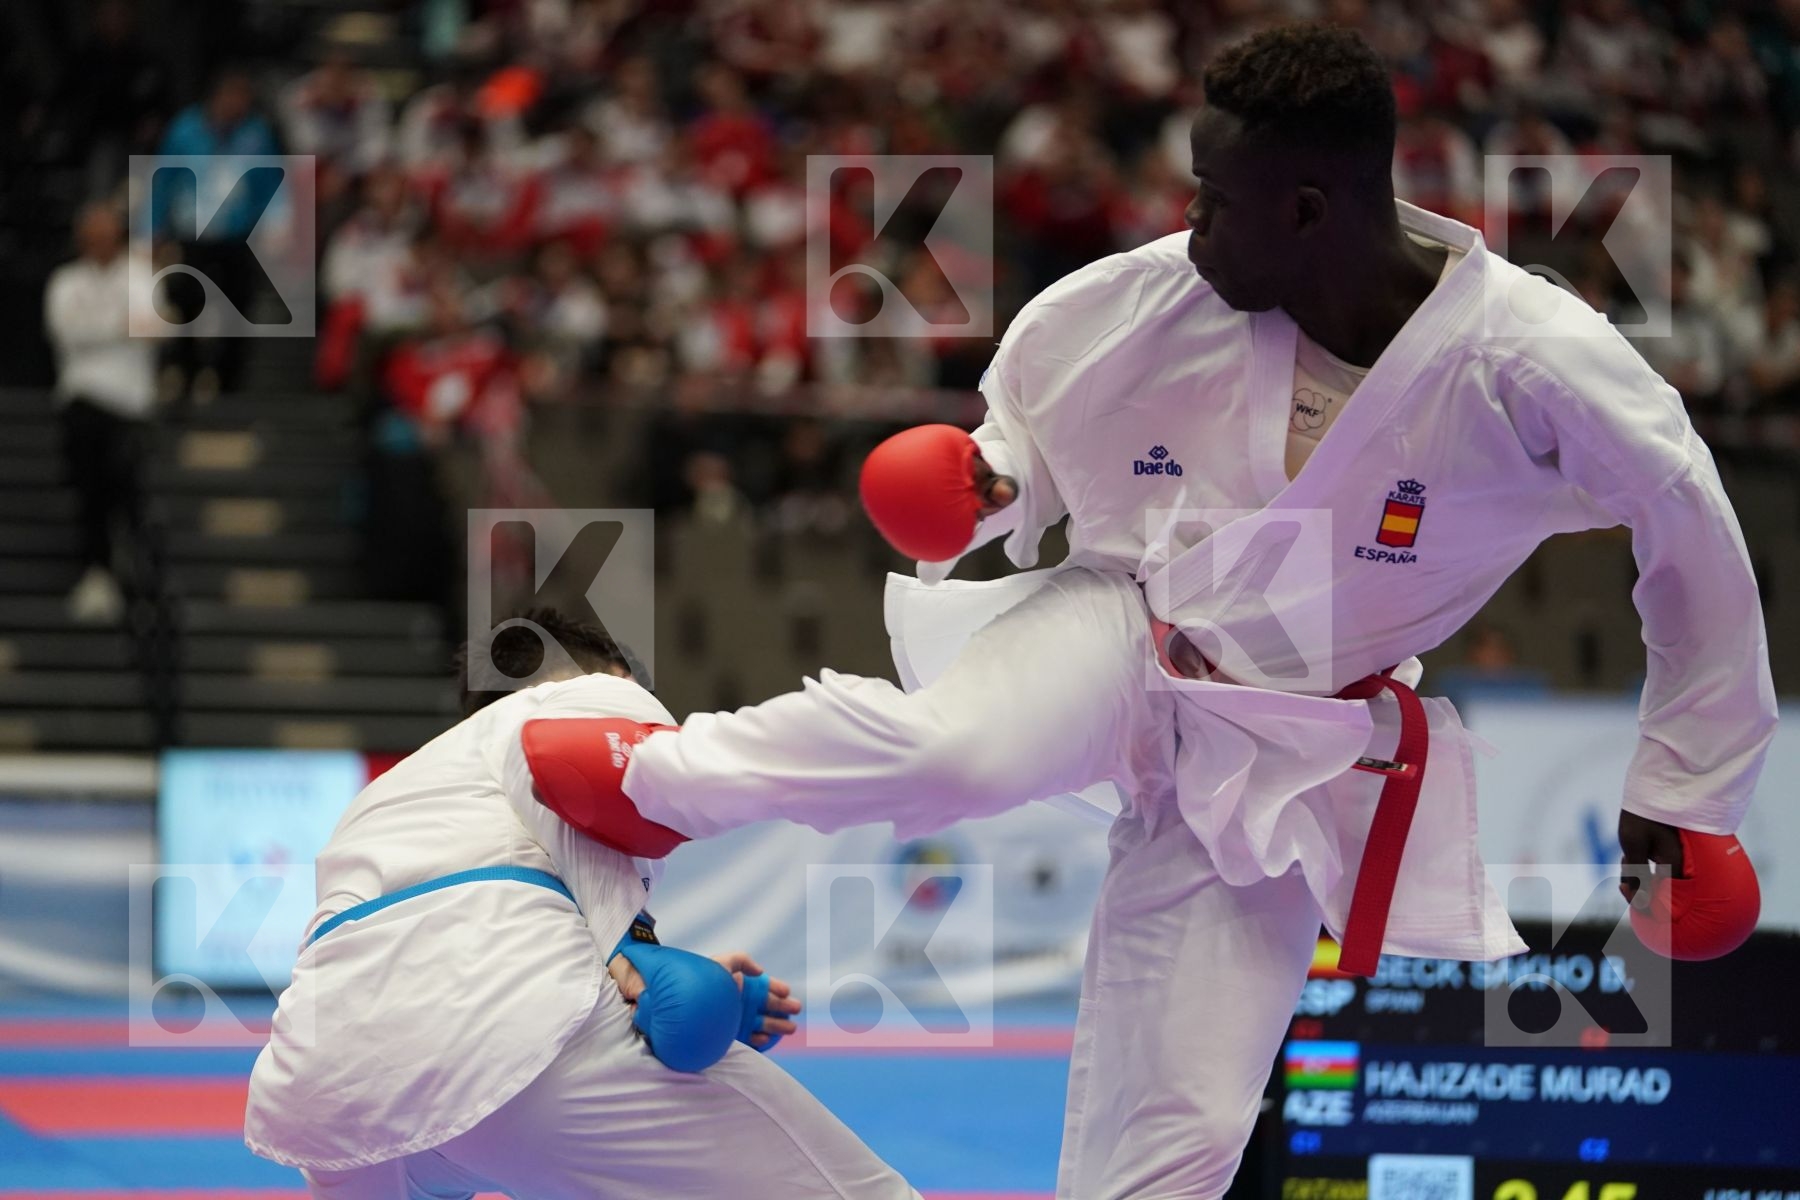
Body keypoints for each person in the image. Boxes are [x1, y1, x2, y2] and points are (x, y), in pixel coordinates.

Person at [518, 25, 1778, 1200]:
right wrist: (991, 479)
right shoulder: (1156, 293)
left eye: (1216, 199)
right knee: (959, 749)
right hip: (1123, 627)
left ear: (1308, 209)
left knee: (1178, 1142)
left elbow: (1690, 532)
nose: (1189, 220)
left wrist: (1687, 794)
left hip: (1290, 745)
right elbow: (1031, 420)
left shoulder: (1529, 361)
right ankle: (658, 777)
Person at [244, 609, 919, 1200]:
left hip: (329, 1091)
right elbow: (578, 771)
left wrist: (639, 962)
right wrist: (642, 956)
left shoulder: (393, 792)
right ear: (617, 673)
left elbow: (444, 929)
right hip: (504, 1043)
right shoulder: (592, 696)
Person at [43, 201, 159, 624]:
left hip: (130, 402)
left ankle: (132, 574)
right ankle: (97, 570)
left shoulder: (141, 275)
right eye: (92, 236)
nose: (100, 243)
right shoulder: (65, 281)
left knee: (126, 489)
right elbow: (66, 333)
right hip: (83, 398)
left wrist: (100, 326)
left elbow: (151, 328)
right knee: (90, 487)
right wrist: (118, 325)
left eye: (107, 234)